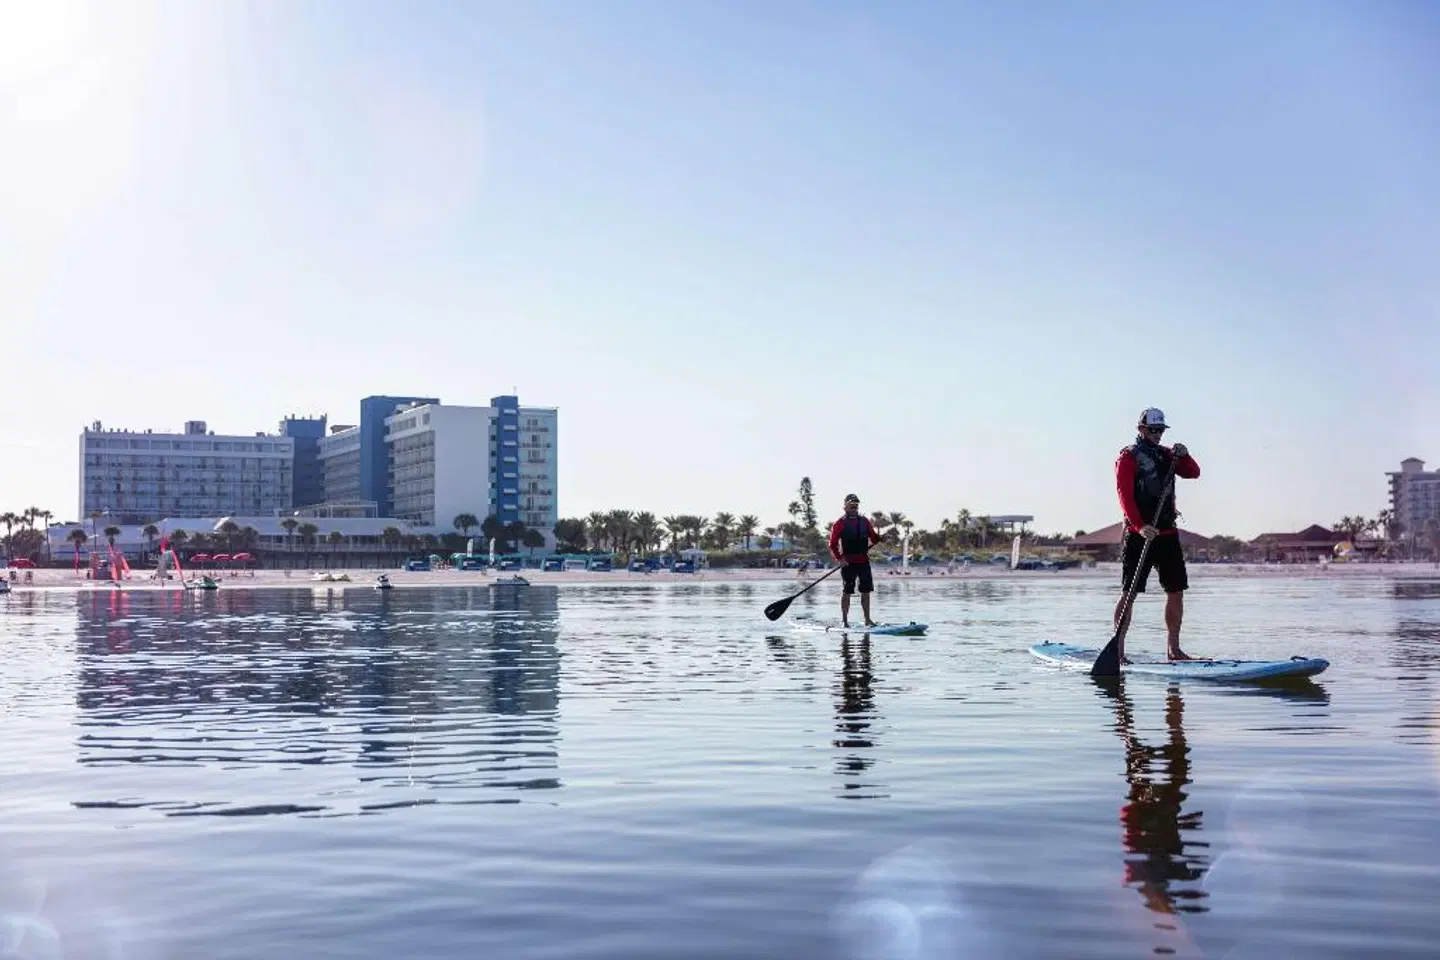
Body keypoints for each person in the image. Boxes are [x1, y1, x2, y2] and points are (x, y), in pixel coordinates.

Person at [1114, 408, 1201, 662]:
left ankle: (1174, 650)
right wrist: (1140, 526)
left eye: (1160, 430)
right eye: (1153, 429)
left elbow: (1193, 472)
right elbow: (1124, 495)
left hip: (1167, 534)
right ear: (1141, 429)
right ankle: (1117, 651)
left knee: (1176, 590)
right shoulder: (1128, 457)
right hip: (1139, 534)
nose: (1157, 434)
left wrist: (1185, 455)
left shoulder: (1168, 455)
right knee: (1129, 593)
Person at [828, 494, 883, 628]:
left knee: (866, 591)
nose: (854, 508)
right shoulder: (839, 523)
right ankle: (845, 621)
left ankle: (867, 620)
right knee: (847, 591)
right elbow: (832, 544)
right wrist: (840, 559)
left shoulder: (864, 521)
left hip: (863, 561)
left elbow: (873, 537)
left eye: (856, 506)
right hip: (848, 563)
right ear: (845, 507)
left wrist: (880, 538)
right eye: (851, 506)